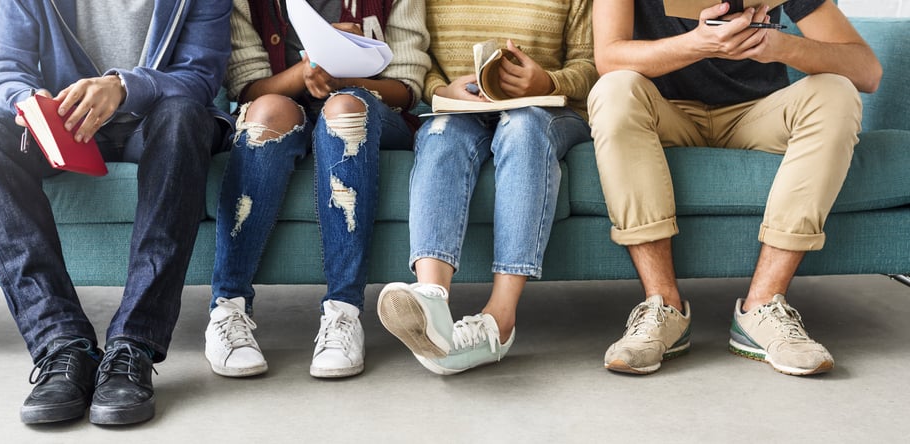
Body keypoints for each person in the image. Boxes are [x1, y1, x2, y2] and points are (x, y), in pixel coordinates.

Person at [0, 0, 232, 425]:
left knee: (184, 117)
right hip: (66, 129)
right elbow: (3, 69)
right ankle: (62, 342)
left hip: (157, 125)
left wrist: (124, 87)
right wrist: (31, 102)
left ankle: (134, 344)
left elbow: (199, 79)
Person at [588, 1, 881, 376]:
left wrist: (776, 46)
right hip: (665, 112)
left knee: (837, 92)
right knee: (614, 89)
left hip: (757, 114)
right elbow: (608, 58)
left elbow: (867, 71)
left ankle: (762, 307)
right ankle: (662, 306)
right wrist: (699, 43)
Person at [205, 0, 429, 379]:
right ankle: (227, 308)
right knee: (267, 112)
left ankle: (344, 311)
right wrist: (306, 72)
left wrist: (345, 75)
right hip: (282, 100)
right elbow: (247, 87)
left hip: (368, 106)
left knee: (344, 110)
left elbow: (407, 88)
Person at [376, 0, 597, 375]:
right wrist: (443, 89)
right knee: (440, 134)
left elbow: (591, 66)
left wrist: (547, 81)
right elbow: (418, 62)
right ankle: (432, 302)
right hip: (462, 110)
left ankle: (500, 319)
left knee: (522, 128)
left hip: (547, 109)